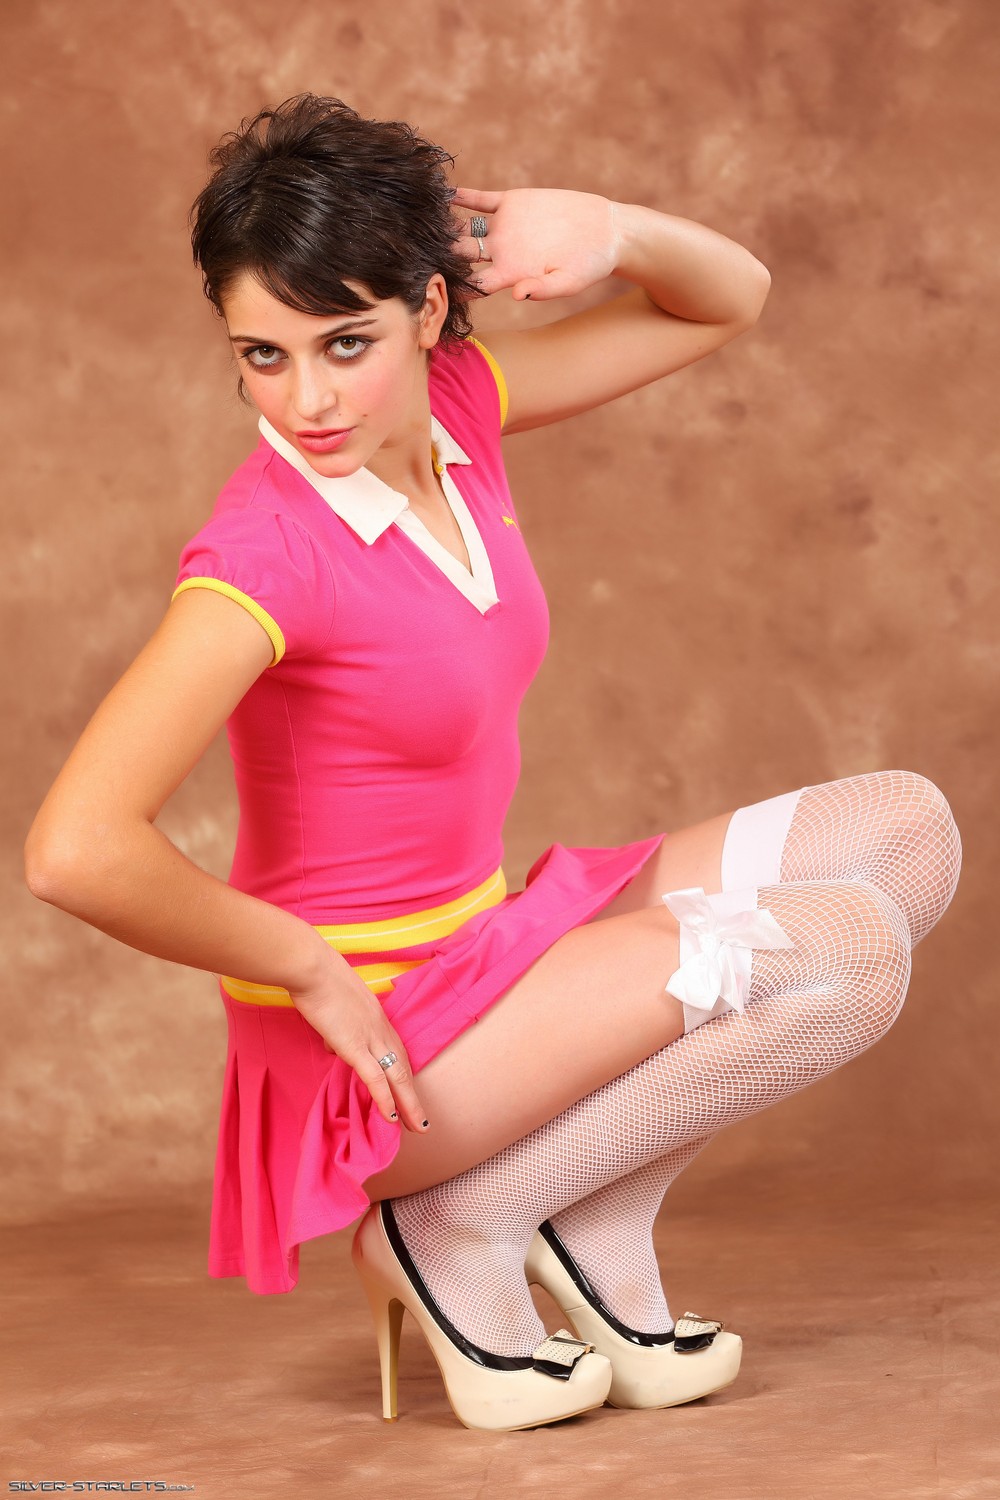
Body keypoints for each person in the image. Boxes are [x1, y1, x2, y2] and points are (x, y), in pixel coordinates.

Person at [23, 93, 962, 1434]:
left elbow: (725, 302)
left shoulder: (457, 407)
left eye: (345, 343)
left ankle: (586, 1206)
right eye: (264, 355)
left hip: (489, 952)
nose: (307, 400)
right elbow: (74, 849)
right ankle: (461, 1218)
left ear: (430, 312)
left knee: (904, 833)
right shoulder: (264, 557)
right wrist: (305, 966)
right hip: (381, 1049)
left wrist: (606, 229)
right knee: (846, 950)